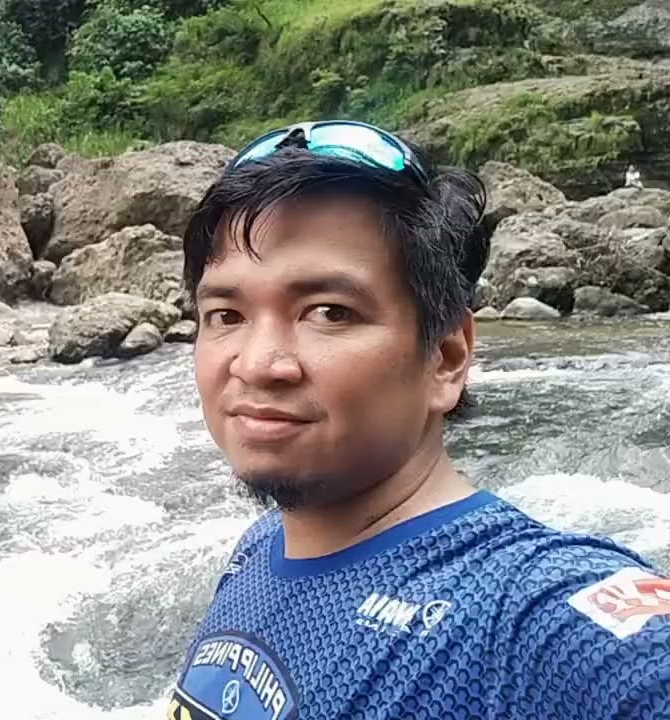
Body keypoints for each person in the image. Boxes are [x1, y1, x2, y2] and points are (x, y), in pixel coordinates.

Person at [168, 120, 670, 720]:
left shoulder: (527, 616)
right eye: (226, 314)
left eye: (329, 311)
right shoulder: (260, 548)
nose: (258, 364)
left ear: (445, 358)